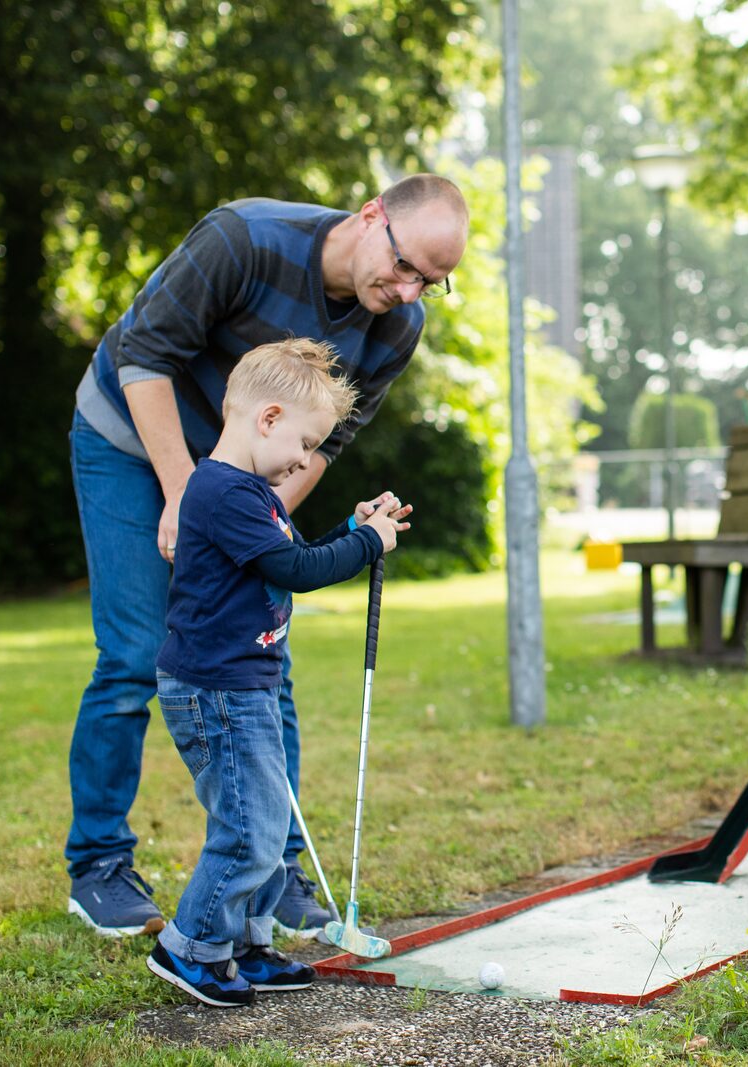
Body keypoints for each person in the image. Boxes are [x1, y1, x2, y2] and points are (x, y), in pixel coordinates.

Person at [67, 175, 467, 939]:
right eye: (406, 265)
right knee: (133, 655)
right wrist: (191, 494)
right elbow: (144, 357)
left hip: (238, 482)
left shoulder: (394, 327)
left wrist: (254, 524)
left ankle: (275, 866)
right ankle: (100, 866)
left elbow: (324, 446)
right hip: (127, 435)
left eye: (430, 283)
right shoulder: (244, 238)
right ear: (372, 214)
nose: (410, 289)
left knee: (262, 656)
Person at [145, 338, 404, 1007]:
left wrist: (353, 526)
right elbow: (296, 570)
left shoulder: (251, 493)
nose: (304, 458)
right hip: (216, 689)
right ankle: (192, 947)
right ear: (267, 419)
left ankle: (248, 943)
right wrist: (368, 544)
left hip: (245, 686)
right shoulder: (223, 492)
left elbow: (295, 552)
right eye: (304, 441)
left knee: (265, 816)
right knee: (251, 826)